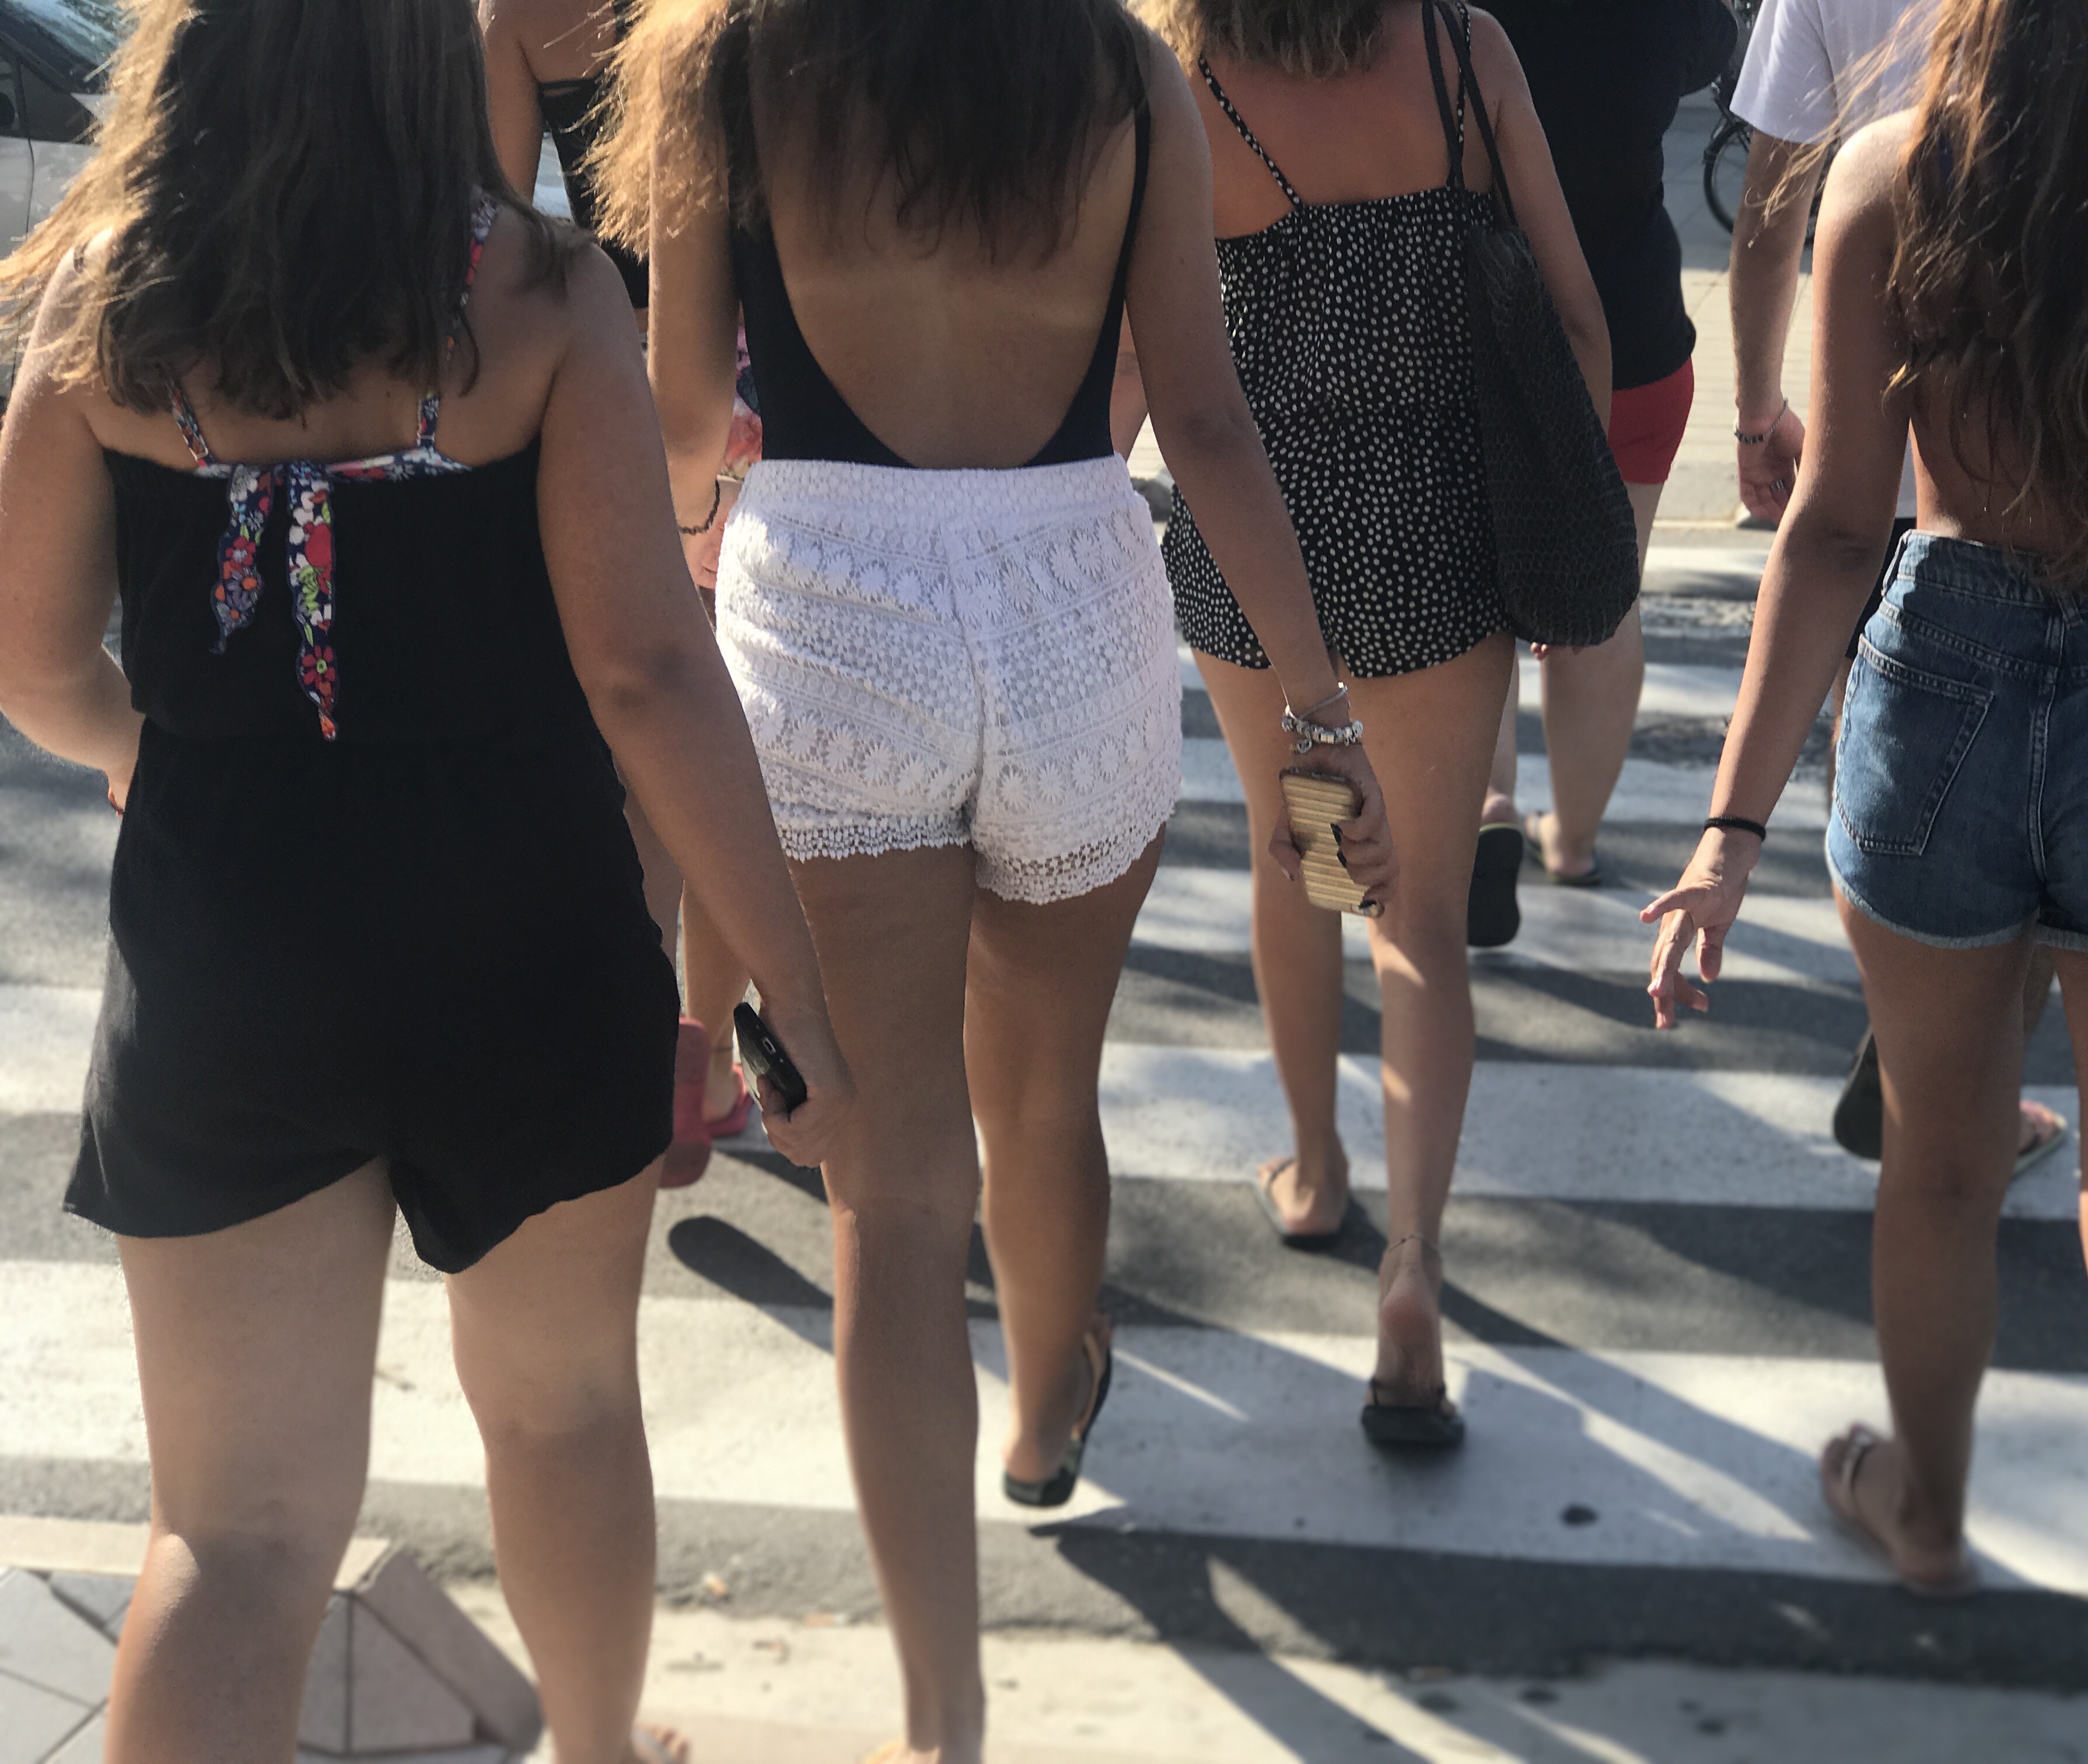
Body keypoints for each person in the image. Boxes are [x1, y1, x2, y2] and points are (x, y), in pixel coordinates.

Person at [0, 5, 855, 1762]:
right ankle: (597, 1752)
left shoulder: (109, 295)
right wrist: (793, 992)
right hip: (523, 928)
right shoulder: (534, 295)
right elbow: (648, 674)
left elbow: (31, 662)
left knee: (234, 1533)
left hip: (226, 948)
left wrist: (160, 761)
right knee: (561, 1415)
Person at [599, 4, 1394, 1759]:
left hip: (830, 604)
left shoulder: (725, 59)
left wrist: (689, 555)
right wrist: (1320, 716)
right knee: (1044, 1101)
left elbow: (681, 415)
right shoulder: (1120, 69)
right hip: (1071, 601)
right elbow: (1207, 419)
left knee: (889, 1200)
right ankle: (1043, 1420)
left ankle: (944, 1716)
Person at [1644, 4, 2088, 1756]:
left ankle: (1929, 1513)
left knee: (1942, 1162)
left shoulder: (1894, 170)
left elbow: (1833, 529)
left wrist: (1729, 833)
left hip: (1942, 676)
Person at [1132, 0, 1610, 1438]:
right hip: (1440, 542)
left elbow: (1142, 366)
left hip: (1252, 543)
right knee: (1424, 925)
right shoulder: (1461, 49)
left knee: (1302, 865)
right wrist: (1561, 517)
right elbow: (1577, 322)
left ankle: (1314, 1170)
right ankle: (1413, 1262)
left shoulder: (1179, 67)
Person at [1728, 0, 2067, 1172]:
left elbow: (1773, 206)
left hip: (1887, 443)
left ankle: (1906, 1019)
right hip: (2069, 467)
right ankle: (1971, 1081)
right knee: (2051, 799)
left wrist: (1757, 407)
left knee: (1876, 727)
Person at [482, 0, 758, 1185]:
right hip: (779, 391)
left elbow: (490, 238)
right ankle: (722, 1057)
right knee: (742, 743)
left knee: (645, 739)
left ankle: (647, 1049)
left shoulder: (520, 15)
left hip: (618, 387)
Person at [1471, 0, 1737, 928]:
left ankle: (1488, 802)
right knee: (1608, 598)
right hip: (1632, 328)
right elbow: (1710, 46)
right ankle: (1574, 840)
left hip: (1481, 320)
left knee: (1474, 595)